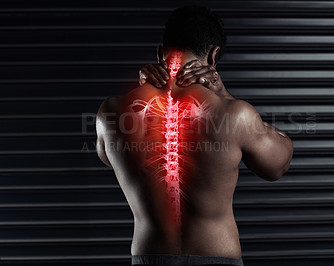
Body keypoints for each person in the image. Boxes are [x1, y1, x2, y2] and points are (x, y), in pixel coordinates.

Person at [96, 5, 293, 266]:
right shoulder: (234, 114)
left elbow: (109, 157)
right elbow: (277, 165)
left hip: (149, 257)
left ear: (159, 53)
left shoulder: (111, 112)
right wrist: (224, 96)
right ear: (214, 56)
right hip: (217, 257)